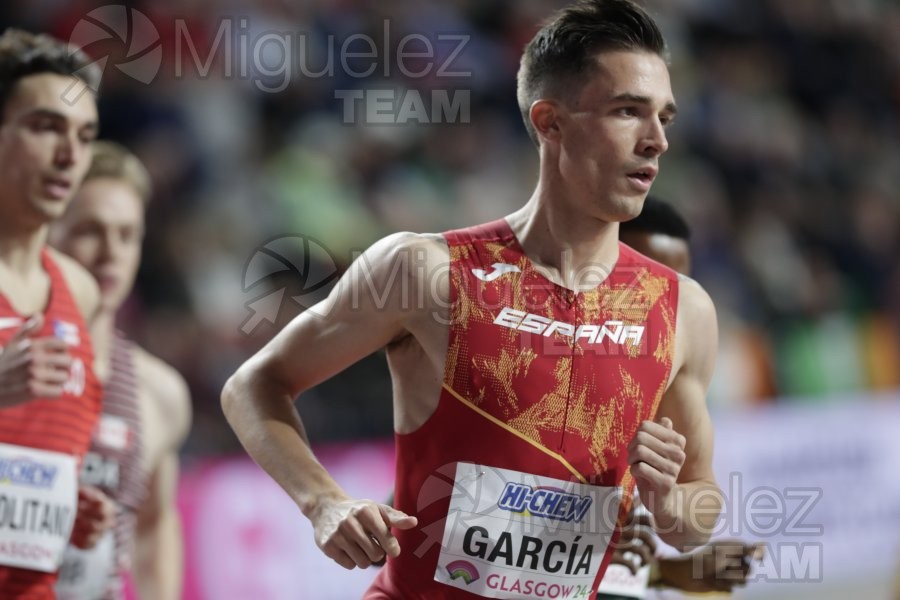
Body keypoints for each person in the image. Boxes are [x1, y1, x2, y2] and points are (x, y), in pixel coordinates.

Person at [222, 1, 723, 597]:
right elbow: (252, 387)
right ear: (549, 121)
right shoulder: (425, 271)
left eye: (664, 116)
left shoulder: (681, 309)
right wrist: (323, 503)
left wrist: (668, 504)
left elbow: (700, 506)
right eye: (627, 112)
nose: (658, 140)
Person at [598, 197, 762, 599]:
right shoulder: (541, 356)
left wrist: (670, 570)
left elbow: (699, 500)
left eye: (678, 283)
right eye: (646, 276)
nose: (666, 299)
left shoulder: (682, 356)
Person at [49, 141, 192, 600]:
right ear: (48, 232)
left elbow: (154, 522)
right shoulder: (15, 360)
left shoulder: (160, 391)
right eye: (89, 231)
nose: (112, 251)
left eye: (128, 234)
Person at [0, 28, 110, 598]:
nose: (70, 155)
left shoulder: (80, 290)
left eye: (85, 135)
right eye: (46, 128)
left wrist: (62, 498)